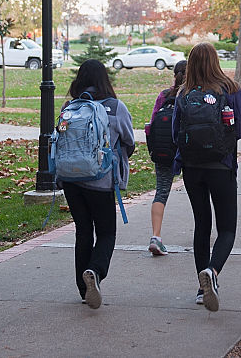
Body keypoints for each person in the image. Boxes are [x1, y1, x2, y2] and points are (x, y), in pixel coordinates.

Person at [172, 42, 241, 312]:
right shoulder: (231, 89)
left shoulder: (184, 92)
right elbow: (240, 130)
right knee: (226, 228)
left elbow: (174, 134)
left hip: (192, 169)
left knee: (201, 225)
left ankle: (202, 290)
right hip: (222, 166)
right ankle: (213, 272)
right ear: (215, 61)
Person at [60, 59, 134, 309]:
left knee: (83, 230)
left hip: (70, 179)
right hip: (100, 181)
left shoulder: (70, 107)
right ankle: (95, 271)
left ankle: (84, 290)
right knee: (106, 233)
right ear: (105, 80)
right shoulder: (115, 107)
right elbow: (129, 142)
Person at [145, 59, 187, 256]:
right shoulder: (193, 95)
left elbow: (152, 125)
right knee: (201, 193)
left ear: (174, 75)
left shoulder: (164, 96)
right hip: (189, 151)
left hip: (164, 151)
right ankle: (203, 234)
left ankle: (156, 236)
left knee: (161, 192)